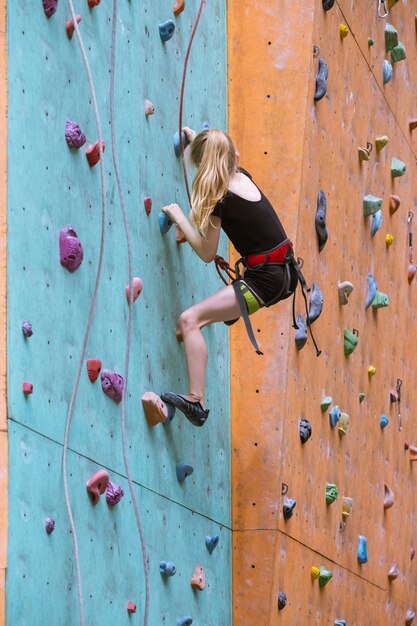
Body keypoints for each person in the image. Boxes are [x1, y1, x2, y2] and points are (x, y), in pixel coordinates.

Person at [160, 127, 299, 427]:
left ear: (207, 165)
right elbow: (224, 156)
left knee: (189, 320)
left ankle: (196, 401)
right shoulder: (242, 176)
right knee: (199, 320)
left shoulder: (220, 198)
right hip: (281, 272)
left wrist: (180, 218)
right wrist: (204, 141)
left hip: (263, 282)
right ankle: (232, 307)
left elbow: (207, 253)